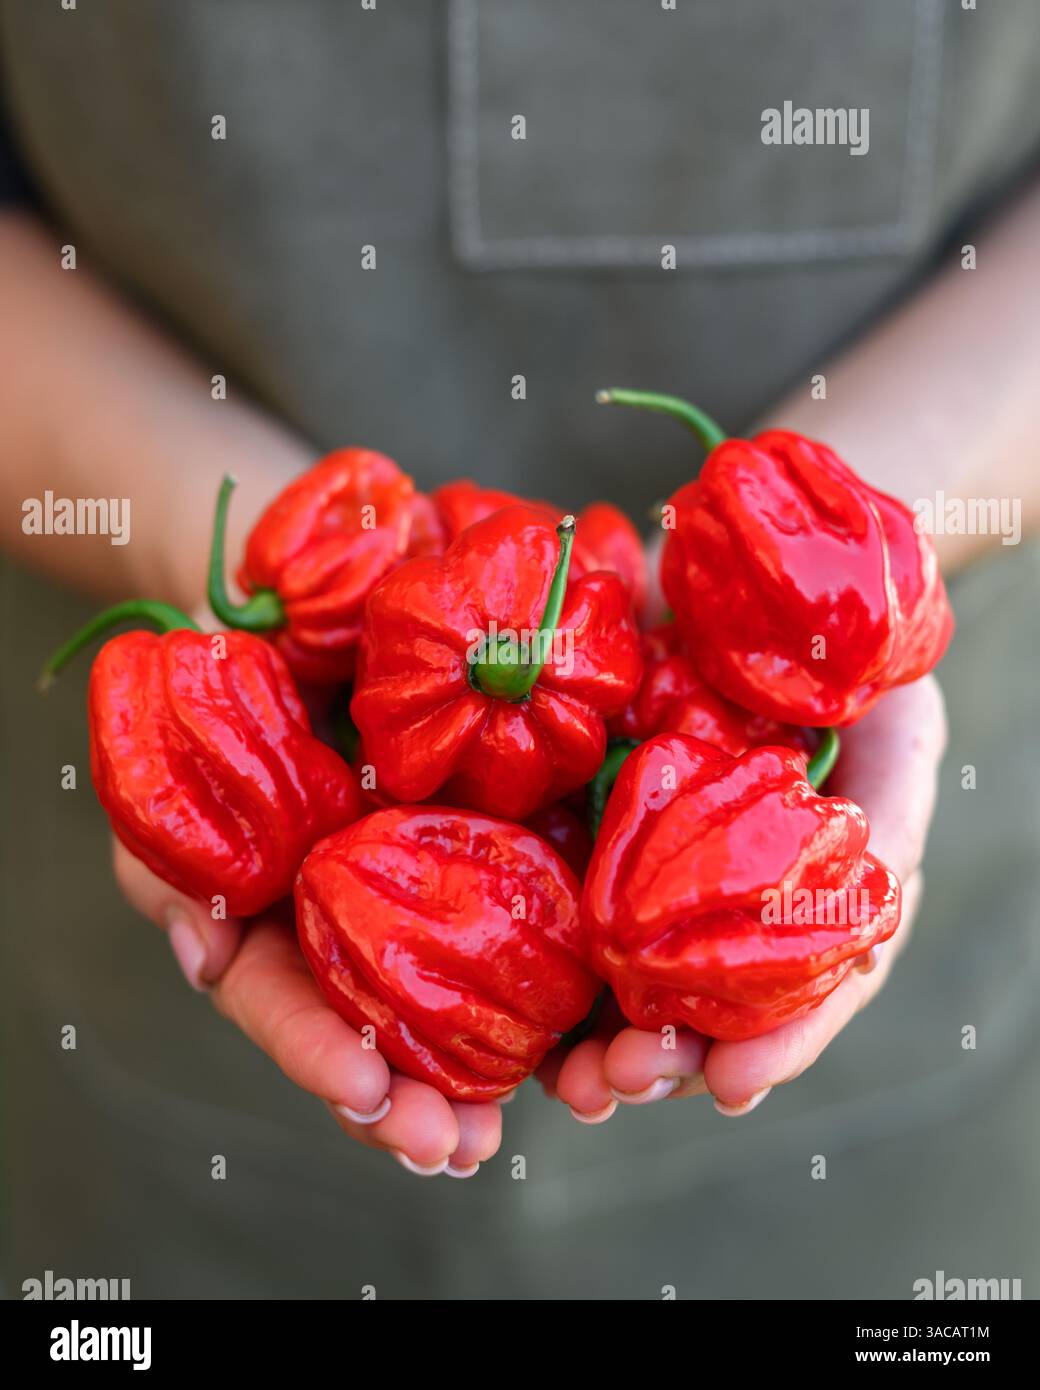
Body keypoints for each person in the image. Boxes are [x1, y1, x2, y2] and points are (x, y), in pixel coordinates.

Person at [3, 1, 1039, 1298]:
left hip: (903, 1088)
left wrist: (884, 550)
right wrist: (202, 533)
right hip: (161, 1103)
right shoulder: (362, 693)